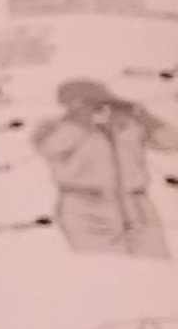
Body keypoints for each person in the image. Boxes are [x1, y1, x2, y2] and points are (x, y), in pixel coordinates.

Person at [32, 78, 178, 258]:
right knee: (105, 266)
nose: (98, 107)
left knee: (155, 265)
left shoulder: (128, 124)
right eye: (86, 102)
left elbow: (172, 142)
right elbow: (48, 146)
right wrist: (81, 122)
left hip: (138, 205)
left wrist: (144, 116)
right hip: (86, 208)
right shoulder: (57, 129)